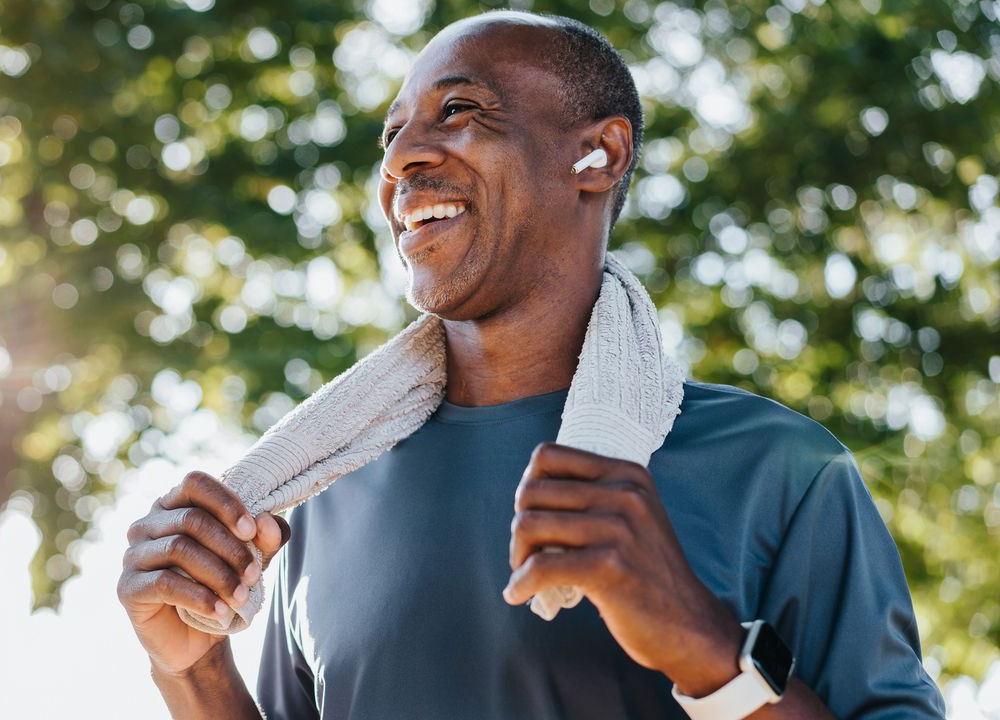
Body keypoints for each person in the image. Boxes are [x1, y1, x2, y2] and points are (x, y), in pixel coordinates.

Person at [117, 10, 946, 719]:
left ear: (598, 158)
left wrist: (712, 655)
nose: (402, 157)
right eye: (393, 132)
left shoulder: (781, 472)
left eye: (461, 110)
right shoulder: (321, 493)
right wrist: (193, 672)